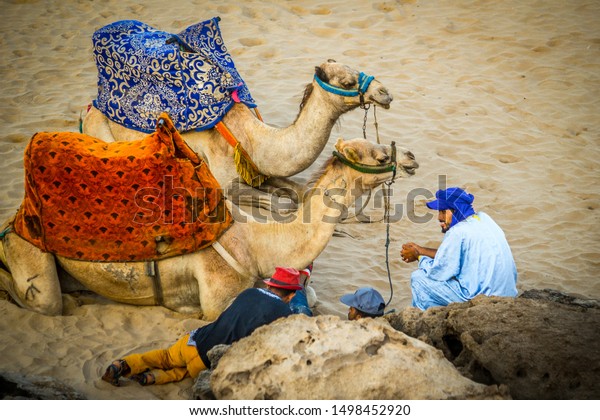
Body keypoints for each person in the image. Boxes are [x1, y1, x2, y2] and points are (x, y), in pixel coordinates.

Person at [101, 266, 301, 387]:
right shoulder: (285, 314)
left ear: (269, 285)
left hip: (193, 341)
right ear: (291, 295)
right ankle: (151, 378)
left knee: (166, 357)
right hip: (207, 360)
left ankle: (122, 364)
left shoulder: (249, 292)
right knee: (185, 373)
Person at [401, 187, 517, 310]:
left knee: (419, 278)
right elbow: (451, 255)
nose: (439, 217)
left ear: (455, 210)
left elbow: (438, 272)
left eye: (443, 211)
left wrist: (419, 256)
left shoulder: (457, 232)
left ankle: (423, 319)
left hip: (485, 300)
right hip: (508, 295)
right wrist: (420, 250)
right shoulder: (484, 218)